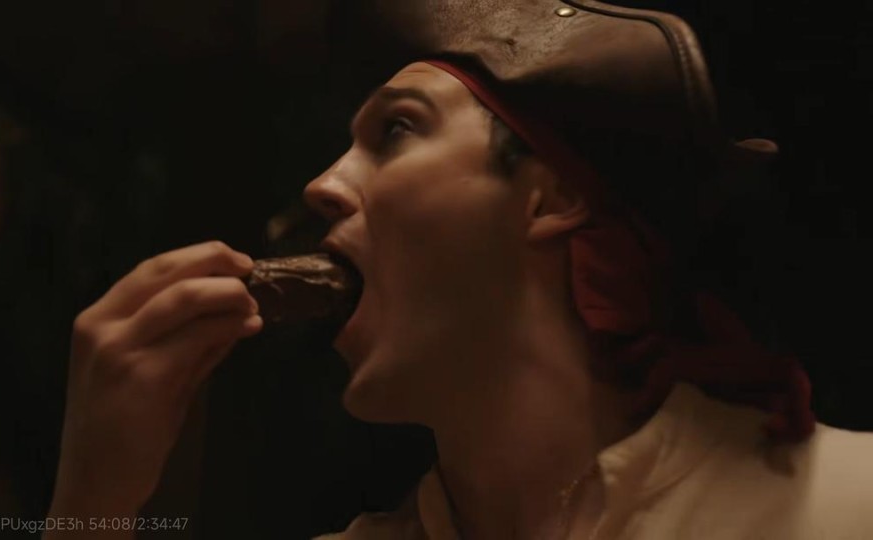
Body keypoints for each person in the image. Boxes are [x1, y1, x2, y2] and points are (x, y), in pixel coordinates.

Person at [45, 7, 873, 540]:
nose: (322, 186)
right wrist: (91, 506)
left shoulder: (844, 506)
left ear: (552, 197)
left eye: (397, 131)